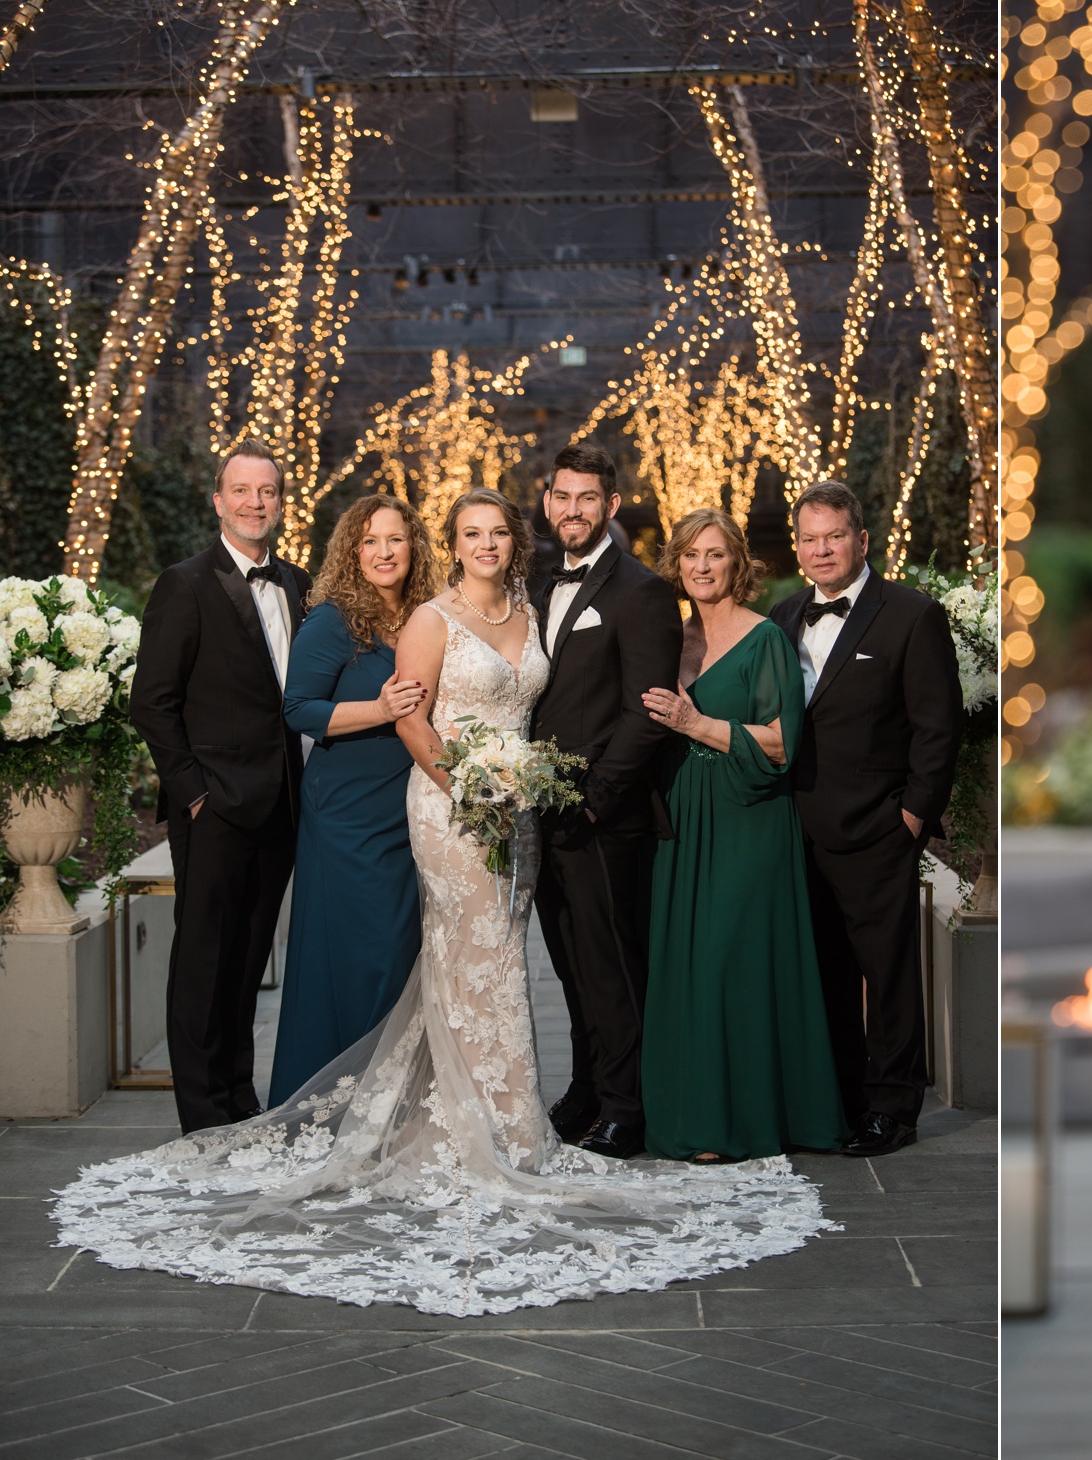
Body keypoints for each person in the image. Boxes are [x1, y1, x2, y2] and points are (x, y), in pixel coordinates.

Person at [52, 487, 831, 1317]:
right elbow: (413, 724)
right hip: (454, 807)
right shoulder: (429, 617)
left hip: (519, 808)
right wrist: (469, 788)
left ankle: (503, 1113)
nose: (487, 544)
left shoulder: (530, 613)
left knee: (494, 959)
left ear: (509, 543)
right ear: (452, 544)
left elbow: (539, 710)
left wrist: (519, 787)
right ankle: (479, 1132)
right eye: (472, 533)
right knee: (478, 946)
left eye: (498, 532)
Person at [638, 509, 847, 1161]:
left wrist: (697, 725)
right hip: (682, 816)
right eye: (691, 556)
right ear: (677, 565)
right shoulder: (670, 639)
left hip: (748, 815)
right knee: (691, 965)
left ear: (739, 565)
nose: (702, 566)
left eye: (716, 555)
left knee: (733, 962)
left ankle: (747, 1119)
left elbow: (784, 743)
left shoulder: (766, 641)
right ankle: (698, 1119)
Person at [770, 481, 963, 1157]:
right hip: (798, 829)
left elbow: (937, 731)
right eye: (810, 538)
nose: (822, 550)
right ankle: (844, 1101)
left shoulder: (911, 615)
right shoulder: (784, 614)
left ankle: (894, 1108)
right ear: (798, 547)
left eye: (833, 536)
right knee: (823, 975)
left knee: (887, 978)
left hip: (879, 830)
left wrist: (911, 817)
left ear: (862, 540)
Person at [130, 442, 312, 1134]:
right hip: (214, 810)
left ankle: (239, 1097)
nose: (254, 503)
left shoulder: (295, 584)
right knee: (205, 961)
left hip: (282, 807)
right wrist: (193, 794)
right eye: (241, 490)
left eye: (266, 491)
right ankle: (203, 1114)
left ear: (279, 502)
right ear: (218, 500)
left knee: (246, 962)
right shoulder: (185, 583)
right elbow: (152, 701)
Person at [528, 442, 681, 1159]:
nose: (573, 510)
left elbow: (645, 709)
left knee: (614, 967)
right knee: (567, 963)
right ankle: (586, 1090)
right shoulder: (528, 580)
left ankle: (630, 1107)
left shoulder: (642, 591)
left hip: (604, 819)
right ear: (547, 499)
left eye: (588, 498)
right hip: (535, 814)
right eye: (563, 496)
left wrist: (593, 801)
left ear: (611, 506)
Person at [267, 495, 435, 1104]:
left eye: (395, 539)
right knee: (366, 955)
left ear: (414, 546)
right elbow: (298, 709)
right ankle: (341, 1098)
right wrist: (381, 709)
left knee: (405, 956)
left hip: (411, 809)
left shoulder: (428, 615)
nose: (384, 552)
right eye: (370, 541)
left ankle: (399, 1101)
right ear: (352, 552)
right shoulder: (334, 620)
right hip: (348, 817)